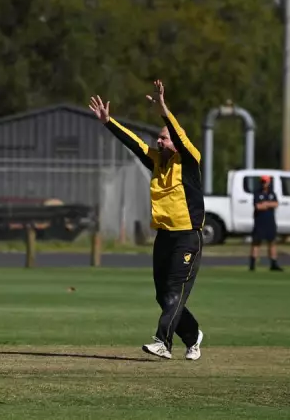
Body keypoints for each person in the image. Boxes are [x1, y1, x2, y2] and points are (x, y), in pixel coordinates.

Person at [88, 80, 205, 361]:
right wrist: (108, 122)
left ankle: (162, 342)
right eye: (159, 139)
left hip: (187, 236)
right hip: (164, 236)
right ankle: (193, 336)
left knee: (175, 292)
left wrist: (163, 108)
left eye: (164, 138)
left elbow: (177, 131)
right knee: (163, 295)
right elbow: (134, 143)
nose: (159, 141)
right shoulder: (156, 161)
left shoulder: (189, 160)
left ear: (177, 142)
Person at [250, 175, 284, 272]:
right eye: (263, 182)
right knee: (256, 242)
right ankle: (252, 264)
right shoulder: (257, 193)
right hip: (260, 221)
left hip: (270, 221)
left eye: (266, 182)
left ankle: (273, 263)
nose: (264, 184)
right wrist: (268, 205)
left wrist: (266, 204)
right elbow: (258, 206)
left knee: (272, 242)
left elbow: (276, 204)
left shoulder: (272, 193)